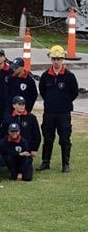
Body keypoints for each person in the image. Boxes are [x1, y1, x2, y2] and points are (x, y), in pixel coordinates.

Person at [37, 45, 79, 173]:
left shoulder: (69, 76)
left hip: (63, 113)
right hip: (49, 112)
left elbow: (74, 92)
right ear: (51, 59)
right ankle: (45, 162)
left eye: (59, 59)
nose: (56, 61)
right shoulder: (45, 76)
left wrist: (64, 102)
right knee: (48, 138)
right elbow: (42, 91)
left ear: (62, 59)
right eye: (54, 59)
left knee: (65, 138)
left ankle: (65, 163)